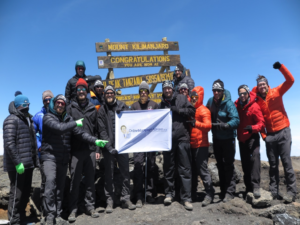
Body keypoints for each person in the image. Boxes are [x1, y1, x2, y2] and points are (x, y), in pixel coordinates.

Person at [40, 94, 106, 225]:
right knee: (50, 184)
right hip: (50, 157)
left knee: (59, 188)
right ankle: (49, 217)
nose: (60, 105)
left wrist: (96, 141)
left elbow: (80, 133)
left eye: (63, 104)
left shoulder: (68, 119)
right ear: (54, 104)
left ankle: (58, 216)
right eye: (58, 102)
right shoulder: (48, 117)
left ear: (65, 106)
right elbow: (59, 129)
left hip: (63, 158)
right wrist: (74, 122)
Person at [252, 62, 296, 203]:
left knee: (286, 163)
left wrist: (281, 68)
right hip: (270, 135)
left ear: (268, 85)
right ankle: (274, 192)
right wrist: (264, 136)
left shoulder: (277, 92)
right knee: (273, 165)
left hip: (283, 131)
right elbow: (257, 115)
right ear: (258, 87)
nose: (262, 86)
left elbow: (291, 80)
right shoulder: (257, 100)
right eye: (260, 85)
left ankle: (291, 192)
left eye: (264, 84)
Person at [66, 79, 102, 222]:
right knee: (74, 181)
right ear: (76, 92)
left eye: (83, 89)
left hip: (90, 150)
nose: (81, 92)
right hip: (75, 151)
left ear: (87, 92)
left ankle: (90, 207)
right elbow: (67, 130)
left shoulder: (93, 108)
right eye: (79, 89)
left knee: (90, 180)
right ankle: (73, 209)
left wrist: (97, 148)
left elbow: (97, 130)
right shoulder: (70, 108)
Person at [97, 86, 136, 213]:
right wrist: (108, 147)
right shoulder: (102, 110)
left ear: (114, 94)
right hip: (109, 149)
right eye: (107, 93)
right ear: (104, 95)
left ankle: (126, 199)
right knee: (109, 175)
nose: (109, 94)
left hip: (122, 146)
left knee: (125, 173)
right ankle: (110, 201)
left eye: (111, 92)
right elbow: (101, 131)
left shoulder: (123, 106)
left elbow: (131, 121)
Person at [3, 92, 40, 225]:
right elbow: (9, 144)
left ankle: (22, 218)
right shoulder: (11, 120)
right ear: (18, 106)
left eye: (28, 104)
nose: (27, 107)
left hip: (28, 163)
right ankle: (14, 220)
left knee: (25, 193)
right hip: (17, 165)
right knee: (17, 194)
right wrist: (18, 163)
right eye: (25, 105)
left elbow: (31, 141)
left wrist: (34, 160)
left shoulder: (26, 119)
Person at [158, 80, 195, 211]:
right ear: (162, 90)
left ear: (172, 89)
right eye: (165, 88)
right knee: (168, 168)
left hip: (182, 138)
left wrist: (178, 110)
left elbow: (192, 111)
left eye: (169, 88)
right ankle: (169, 194)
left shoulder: (182, 98)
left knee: (184, 168)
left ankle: (186, 198)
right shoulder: (161, 104)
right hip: (167, 140)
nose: (167, 90)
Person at [206, 79, 240, 202]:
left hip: (228, 139)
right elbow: (205, 113)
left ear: (222, 91)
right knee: (220, 165)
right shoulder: (210, 101)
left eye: (218, 90)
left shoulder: (229, 104)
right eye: (214, 90)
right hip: (216, 139)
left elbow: (236, 119)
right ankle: (223, 191)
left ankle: (230, 192)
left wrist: (227, 125)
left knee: (228, 165)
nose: (216, 93)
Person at [234, 85, 265, 198]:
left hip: (252, 137)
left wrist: (252, 128)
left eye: (244, 93)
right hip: (242, 139)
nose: (242, 95)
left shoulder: (254, 106)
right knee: (245, 163)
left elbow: (261, 123)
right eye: (240, 94)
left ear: (248, 93)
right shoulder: (236, 105)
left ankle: (256, 186)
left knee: (255, 160)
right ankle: (248, 188)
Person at [131, 81, 158, 207]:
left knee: (151, 167)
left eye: (145, 91)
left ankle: (149, 193)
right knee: (138, 167)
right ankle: (139, 196)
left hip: (151, 141)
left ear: (148, 93)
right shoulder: (134, 106)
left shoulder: (154, 105)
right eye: (141, 91)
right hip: (138, 143)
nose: (143, 93)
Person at [188, 87, 215, 207]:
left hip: (201, 145)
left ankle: (210, 193)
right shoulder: (190, 110)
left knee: (203, 171)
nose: (194, 99)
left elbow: (208, 126)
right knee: (193, 170)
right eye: (192, 97)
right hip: (191, 145)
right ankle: (193, 193)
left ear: (200, 97)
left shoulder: (204, 110)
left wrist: (196, 123)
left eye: (196, 97)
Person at [32, 90, 54, 223]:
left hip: (57, 153)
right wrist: (39, 145)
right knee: (46, 181)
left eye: (50, 98)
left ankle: (56, 209)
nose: (47, 101)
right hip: (43, 153)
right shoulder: (38, 115)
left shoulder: (58, 112)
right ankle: (44, 211)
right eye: (45, 99)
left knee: (56, 181)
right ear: (43, 101)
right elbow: (33, 134)